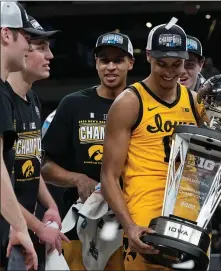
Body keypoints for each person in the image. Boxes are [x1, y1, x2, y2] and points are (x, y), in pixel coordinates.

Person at [101, 21, 221, 270]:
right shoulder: (129, 102)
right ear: (148, 56)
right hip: (146, 223)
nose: (170, 72)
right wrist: (130, 226)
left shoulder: (196, 103)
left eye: (176, 64)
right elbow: (108, 176)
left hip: (191, 221)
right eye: (162, 64)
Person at [41, 30, 135, 270]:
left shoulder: (141, 104)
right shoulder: (73, 104)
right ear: (96, 63)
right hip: (79, 219)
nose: (110, 67)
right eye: (104, 60)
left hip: (129, 221)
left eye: (118, 60)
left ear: (131, 63)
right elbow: (45, 165)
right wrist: (76, 178)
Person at [2, 15, 69, 270]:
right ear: (22, 51)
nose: (50, 55)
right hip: (9, 229)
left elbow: (31, 163)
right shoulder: (4, 101)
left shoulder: (33, 100)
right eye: (41, 48)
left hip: (21, 228)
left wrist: (50, 205)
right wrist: (38, 226)